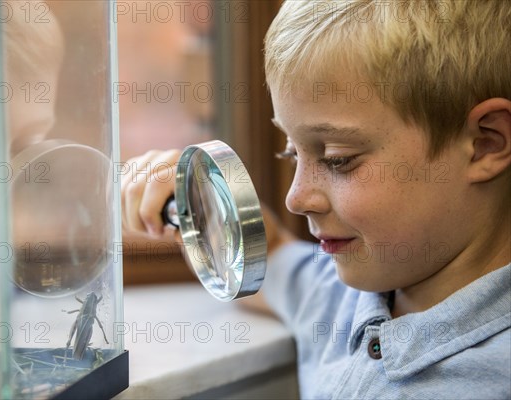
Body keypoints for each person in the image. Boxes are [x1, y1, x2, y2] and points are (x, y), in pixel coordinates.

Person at [121, 1, 511, 398]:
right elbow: (264, 251)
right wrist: (190, 193)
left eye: (338, 159)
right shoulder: (334, 299)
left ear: (484, 144)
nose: (296, 197)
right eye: (292, 153)